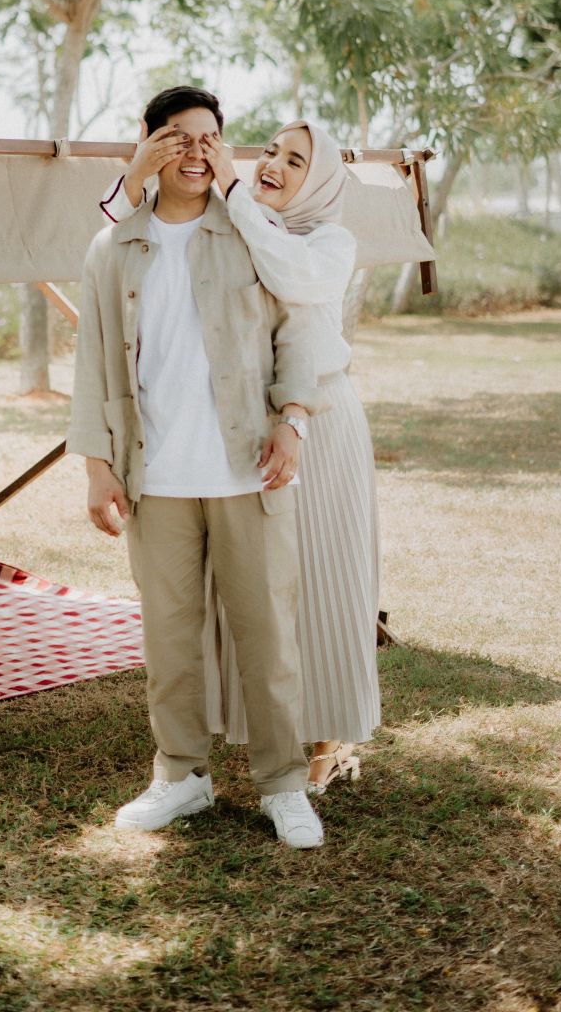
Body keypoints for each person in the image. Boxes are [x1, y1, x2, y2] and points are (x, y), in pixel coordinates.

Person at [67, 86, 326, 848]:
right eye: (177, 137)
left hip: (248, 471)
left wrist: (293, 421)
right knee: (168, 642)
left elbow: (297, 331)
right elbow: (91, 361)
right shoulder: (112, 248)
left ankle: (283, 785)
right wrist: (96, 467)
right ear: (147, 144)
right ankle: (180, 776)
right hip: (156, 479)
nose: (194, 153)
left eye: (209, 138)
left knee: (267, 638)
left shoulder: (251, 230)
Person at [101, 116, 381, 791]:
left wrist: (235, 194)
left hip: (321, 421)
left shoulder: (328, 241)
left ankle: (329, 737)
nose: (274, 165)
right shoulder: (233, 223)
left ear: (320, 180)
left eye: (296, 160)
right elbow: (122, 245)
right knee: (259, 590)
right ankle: (255, 737)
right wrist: (147, 176)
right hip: (251, 423)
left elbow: (291, 278)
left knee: (321, 578)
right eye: (271, 152)